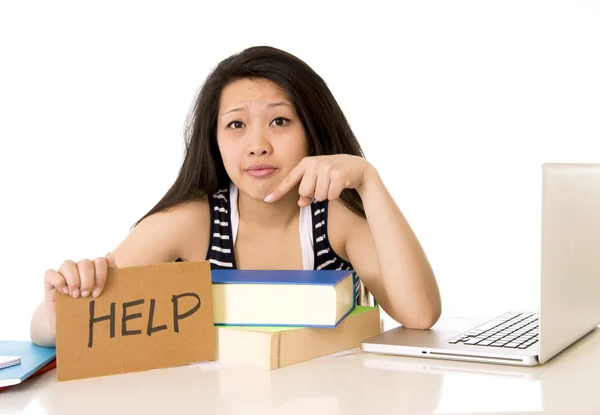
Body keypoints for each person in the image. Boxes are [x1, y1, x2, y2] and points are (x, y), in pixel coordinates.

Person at [30, 45, 442, 347]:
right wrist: (59, 311)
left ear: (311, 129)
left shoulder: (334, 220)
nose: (258, 145)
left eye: (279, 121)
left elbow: (420, 315)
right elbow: (54, 326)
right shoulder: (191, 222)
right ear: (214, 140)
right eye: (236, 125)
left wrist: (369, 180)